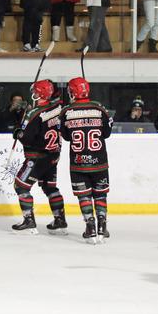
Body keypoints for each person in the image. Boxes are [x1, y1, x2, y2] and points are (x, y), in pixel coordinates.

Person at [60, 77, 113, 242]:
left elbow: (67, 137)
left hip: (78, 163)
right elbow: (107, 133)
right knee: (100, 195)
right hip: (99, 162)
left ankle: (90, 227)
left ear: (73, 92)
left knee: (84, 196)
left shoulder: (66, 111)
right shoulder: (99, 108)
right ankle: (102, 227)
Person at [11, 79, 67, 235]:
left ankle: (29, 220)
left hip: (37, 157)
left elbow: (27, 138)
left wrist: (18, 131)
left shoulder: (34, 113)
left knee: (20, 186)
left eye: (35, 91)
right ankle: (60, 219)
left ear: (40, 93)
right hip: (53, 156)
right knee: (50, 187)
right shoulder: (58, 107)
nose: (33, 93)